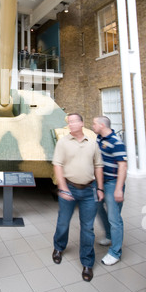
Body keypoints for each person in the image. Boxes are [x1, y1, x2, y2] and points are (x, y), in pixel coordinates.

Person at [52, 113, 104, 282]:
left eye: (75, 121)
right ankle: (58, 247)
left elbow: (98, 166)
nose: (71, 124)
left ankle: (87, 263)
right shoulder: (63, 142)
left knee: (88, 228)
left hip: (89, 191)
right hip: (70, 188)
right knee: (63, 222)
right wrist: (63, 187)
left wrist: (100, 188)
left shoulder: (92, 143)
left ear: (82, 123)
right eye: (69, 122)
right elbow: (57, 165)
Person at [92, 116, 127, 266]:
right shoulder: (99, 138)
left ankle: (115, 253)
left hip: (112, 183)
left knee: (114, 218)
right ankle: (108, 235)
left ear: (101, 125)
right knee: (99, 208)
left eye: (94, 124)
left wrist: (118, 189)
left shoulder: (116, 142)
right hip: (100, 183)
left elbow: (123, 166)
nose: (92, 126)